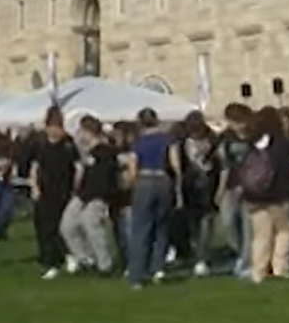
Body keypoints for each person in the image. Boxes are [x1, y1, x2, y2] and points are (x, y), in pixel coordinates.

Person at [241, 107, 289, 282]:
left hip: (253, 195)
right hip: (277, 195)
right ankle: (280, 268)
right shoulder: (281, 143)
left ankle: (258, 272)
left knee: (261, 235)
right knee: (285, 230)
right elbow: (288, 169)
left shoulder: (252, 142)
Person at [125, 108, 176, 288]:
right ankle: (158, 268)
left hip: (144, 179)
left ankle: (136, 275)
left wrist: (131, 185)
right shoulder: (167, 140)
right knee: (162, 226)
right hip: (163, 179)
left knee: (141, 229)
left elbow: (132, 168)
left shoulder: (138, 142)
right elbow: (174, 164)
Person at [62, 116, 118, 275]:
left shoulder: (106, 152)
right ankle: (85, 258)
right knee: (67, 226)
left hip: (98, 195)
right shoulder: (87, 152)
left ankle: (104, 264)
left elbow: (105, 178)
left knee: (91, 224)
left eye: (81, 131)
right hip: (82, 194)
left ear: (88, 132)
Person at [31, 108, 79, 279]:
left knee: (63, 226)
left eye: (58, 127)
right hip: (45, 191)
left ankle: (69, 255)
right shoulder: (40, 144)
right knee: (45, 228)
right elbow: (35, 167)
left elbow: (77, 168)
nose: (54, 131)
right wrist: (35, 187)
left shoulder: (68, 144)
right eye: (51, 127)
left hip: (64, 190)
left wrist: (75, 189)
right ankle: (51, 262)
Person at [175, 112, 220, 277]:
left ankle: (202, 257)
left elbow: (218, 165)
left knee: (206, 222)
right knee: (194, 224)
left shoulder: (213, 143)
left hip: (208, 186)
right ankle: (199, 255)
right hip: (191, 186)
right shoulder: (182, 144)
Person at [216, 103, 255, 277]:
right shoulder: (226, 138)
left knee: (248, 225)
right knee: (228, 222)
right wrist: (220, 189)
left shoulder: (254, 137)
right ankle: (238, 250)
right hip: (231, 184)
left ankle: (246, 259)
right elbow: (224, 165)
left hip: (251, 185)